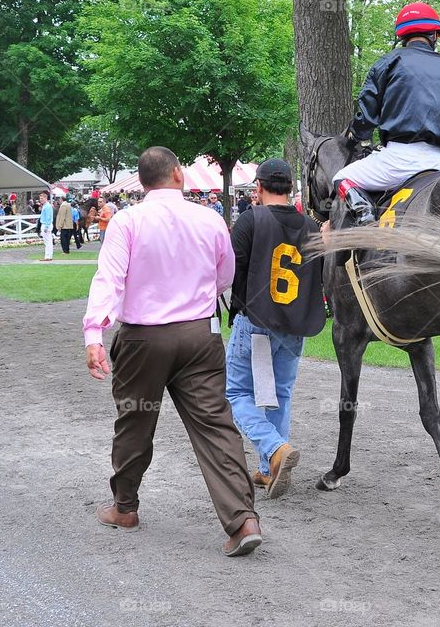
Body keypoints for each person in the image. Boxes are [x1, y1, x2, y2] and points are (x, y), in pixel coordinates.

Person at [83, 146, 261, 556]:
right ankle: (242, 519)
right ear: (178, 175)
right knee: (216, 426)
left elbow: (108, 279)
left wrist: (94, 333)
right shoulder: (210, 218)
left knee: (135, 422)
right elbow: (225, 275)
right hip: (200, 335)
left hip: (144, 339)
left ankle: (125, 508)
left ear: (143, 183)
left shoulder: (127, 221)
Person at [225, 159, 326, 498]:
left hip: (255, 320)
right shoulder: (311, 226)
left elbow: (232, 271)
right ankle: (270, 470)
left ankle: (275, 449)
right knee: (279, 394)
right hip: (294, 324)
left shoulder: (250, 219)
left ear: (259, 187)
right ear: (290, 188)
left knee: (237, 393)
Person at [331, 1, 440, 226]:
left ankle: (365, 214)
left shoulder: (388, 62)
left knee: (341, 177)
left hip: (398, 162)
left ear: (402, 37)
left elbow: (366, 117)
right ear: (435, 35)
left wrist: (354, 136)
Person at [38, 192, 54, 261]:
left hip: (46, 224)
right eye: (40, 198)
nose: (40, 200)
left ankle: (47, 256)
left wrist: (46, 227)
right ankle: (49, 256)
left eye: (42, 198)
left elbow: (48, 217)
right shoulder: (46, 205)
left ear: (45, 198)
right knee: (49, 241)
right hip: (46, 224)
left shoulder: (47, 206)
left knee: (47, 241)